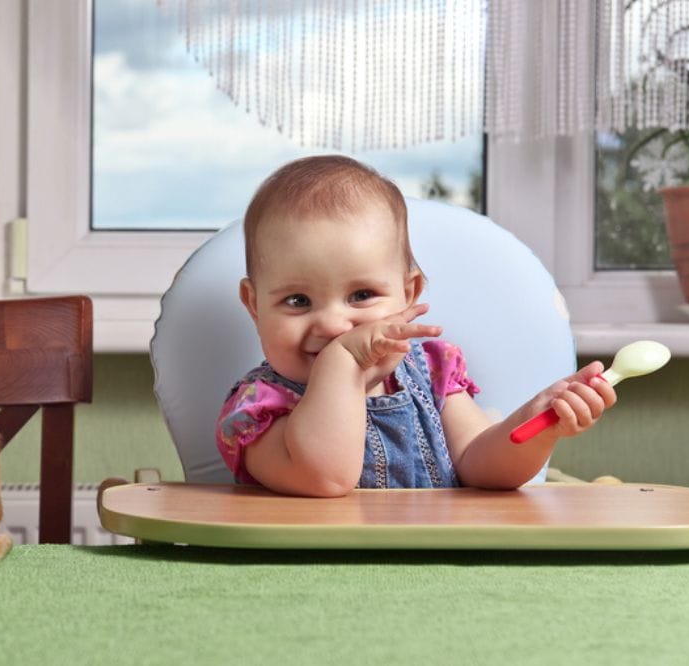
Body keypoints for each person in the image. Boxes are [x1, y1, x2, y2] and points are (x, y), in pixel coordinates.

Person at [216, 155, 616, 496]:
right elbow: (326, 478)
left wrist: (537, 424)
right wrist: (341, 364)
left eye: (361, 295)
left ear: (409, 293)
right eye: (297, 301)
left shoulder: (432, 372)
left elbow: (483, 465)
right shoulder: (257, 408)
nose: (336, 325)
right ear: (254, 306)